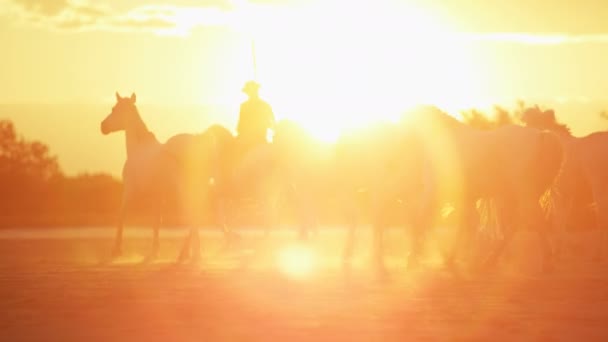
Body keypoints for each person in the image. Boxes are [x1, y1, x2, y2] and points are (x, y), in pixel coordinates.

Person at [236, 80, 275, 152]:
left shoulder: (244, 106)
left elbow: (239, 127)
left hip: (253, 141)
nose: (250, 94)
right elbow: (272, 124)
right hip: (258, 140)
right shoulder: (265, 105)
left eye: (250, 92)